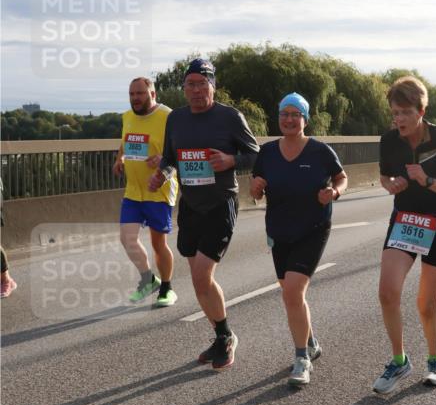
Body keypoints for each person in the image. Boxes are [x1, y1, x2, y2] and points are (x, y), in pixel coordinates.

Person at [149, 58, 259, 369]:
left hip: (220, 203)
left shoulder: (229, 117)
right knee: (198, 283)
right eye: (191, 84)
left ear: (213, 86)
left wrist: (231, 160)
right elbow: (170, 158)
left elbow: (256, 155)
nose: (196, 90)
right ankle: (221, 336)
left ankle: (225, 336)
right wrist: (162, 174)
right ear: (184, 88)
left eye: (202, 84)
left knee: (201, 275)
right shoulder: (176, 119)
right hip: (191, 205)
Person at [373, 76, 436, 394]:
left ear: (421, 111)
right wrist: (391, 184)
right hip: (405, 220)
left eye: (405, 112)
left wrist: (428, 181)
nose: (399, 119)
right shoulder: (389, 140)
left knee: (426, 303)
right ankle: (399, 361)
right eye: (395, 113)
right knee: (387, 292)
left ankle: (435, 361)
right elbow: (384, 176)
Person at [249, 93, 347, 387]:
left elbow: (341, 177)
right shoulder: (267, 152)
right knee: (291, 293)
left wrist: (334, 192)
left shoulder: (320, 151)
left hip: (313, 228)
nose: (289, 119)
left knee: (292, 292)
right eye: (284, 114)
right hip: (279, 230)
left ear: (305, 119)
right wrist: (255, 188)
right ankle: (311, 341)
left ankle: (302, 359)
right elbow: (256, 191)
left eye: (295, 115)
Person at [113, 77, 178, 305]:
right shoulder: (127, 117)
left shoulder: (168, 116)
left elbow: (180, 147)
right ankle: (148, 279)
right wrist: (119, 159)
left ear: (153, 94)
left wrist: (164, 158)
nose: (135, 98)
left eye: (140, 93)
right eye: (132, 94)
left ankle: (167, 288)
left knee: (158, 243)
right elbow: (125, 141)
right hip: (133, 191)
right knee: (127, 238)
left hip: (158, 189)